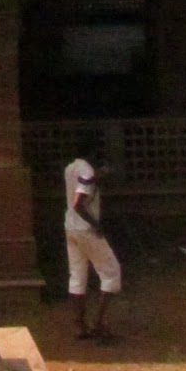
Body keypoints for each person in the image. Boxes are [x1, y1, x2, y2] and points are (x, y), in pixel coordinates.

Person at [64, 144, 122, 340]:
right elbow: (78, 204)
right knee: (111, 272)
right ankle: (98, 324)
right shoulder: (87, 172)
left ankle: (80, 326)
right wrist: (96, 224)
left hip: (70, 227)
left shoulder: (70, 168)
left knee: (77, 276)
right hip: (86, 229)